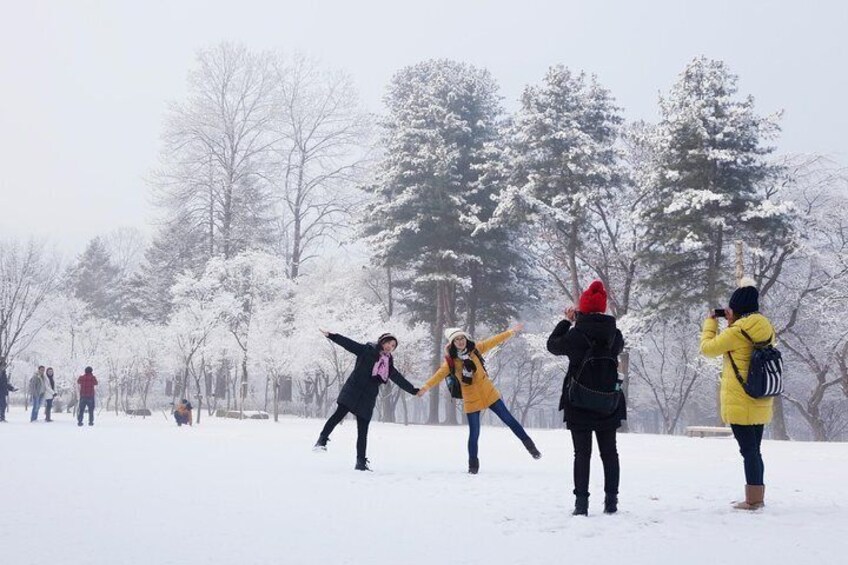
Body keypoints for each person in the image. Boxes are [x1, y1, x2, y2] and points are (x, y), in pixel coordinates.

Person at [417, 324, 541, 474]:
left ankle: (531, 447)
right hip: (471, 399)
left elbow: (493, 341)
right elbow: (438, 375)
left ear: (465, 338)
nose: (461, 341)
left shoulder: (475, 349)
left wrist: (510, 332)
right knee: (474, 433)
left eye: (462, 338)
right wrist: (425, 387)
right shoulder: (452, 362)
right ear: (453, 344)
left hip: (489, 393)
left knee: (510, 420)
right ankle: (473, 466)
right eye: (457, 340)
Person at [546, 280, 626, 516]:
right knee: (609, 453)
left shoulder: (576, 335)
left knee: (582, 454)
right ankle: (611, 503)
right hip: (608, 403)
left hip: (578, 402)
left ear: (582, 308)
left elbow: (552, 345)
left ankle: (581, 505)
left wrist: (567, 321)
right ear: (603, 308)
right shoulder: (615, 335)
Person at [700, 278, 775, 511]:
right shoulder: (766, 328)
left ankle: (753, 500)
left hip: (741, 400)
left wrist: (711, 323)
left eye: (731, 308)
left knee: (748, 451)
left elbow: (707, 348)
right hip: (760, 397)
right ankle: (756, 495)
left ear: (738, 309)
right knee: (755, 451)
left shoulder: (737, 331)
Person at [314, 330, 420, 471]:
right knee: (338, 415)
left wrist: (413, 390)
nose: (390, 346)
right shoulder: (366, 350)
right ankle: (322, 440)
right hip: (353, 389)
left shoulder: (388, 364)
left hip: (368, 397)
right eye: (388, 342)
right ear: (382, 341)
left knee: (363, 431)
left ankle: (361, 462)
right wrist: (332, 336)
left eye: (393, 345)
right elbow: (348, 344)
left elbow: (398, 379)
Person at [1, 357, 17, 422]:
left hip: (2, 392)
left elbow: (5, 383)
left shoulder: (4, 373)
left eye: (4, 366)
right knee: (2, 405)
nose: (4, 367)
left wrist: (12, 388)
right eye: (3, 366)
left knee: (3, 405)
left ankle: (2, 417)